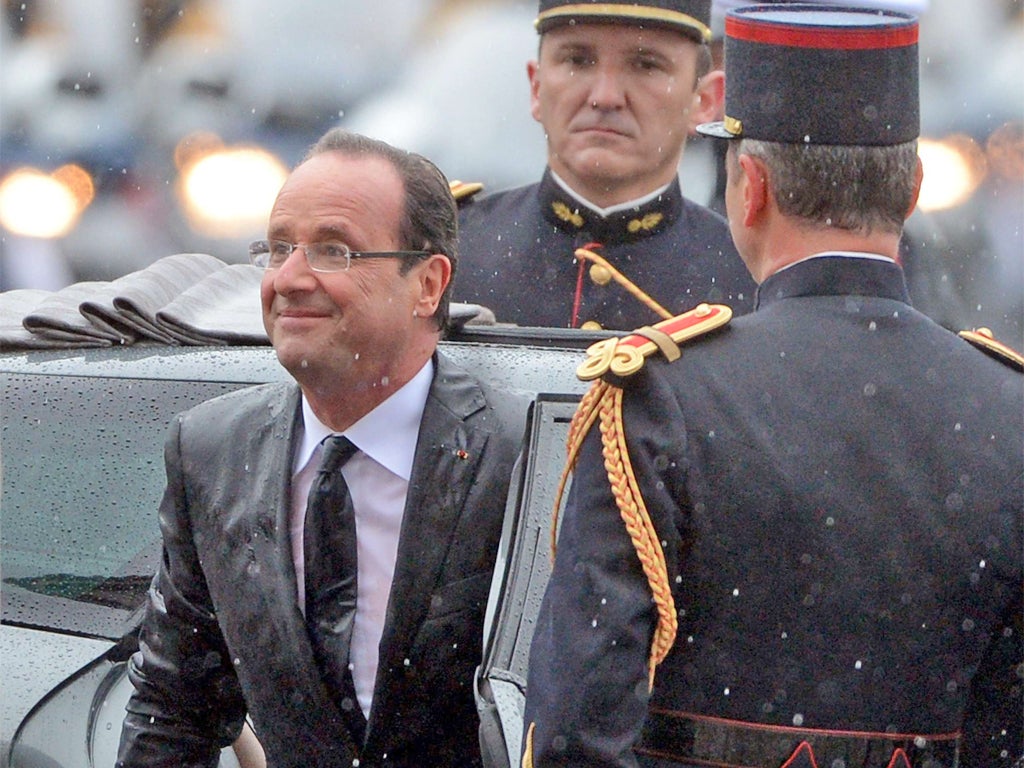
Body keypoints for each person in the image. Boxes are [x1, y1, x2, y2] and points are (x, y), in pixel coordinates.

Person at [522, 6, 1023, 768]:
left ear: (748, 187)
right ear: (913, 189)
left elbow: (576, 728)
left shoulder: (663, 396)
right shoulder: (1007, 409)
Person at [116, 128, 527, 767]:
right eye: (278, 248)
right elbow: (176, 705)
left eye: (334, 251)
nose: (289, 278)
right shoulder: (212, 451)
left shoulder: (521, 451)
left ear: (427, 284)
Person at [454, 0, 756, 331]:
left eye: (645, 65)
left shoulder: (750, 276)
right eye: (577, 60)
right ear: (537, 87)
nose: (605, 96)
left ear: (705, 101)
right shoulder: (452, 255)